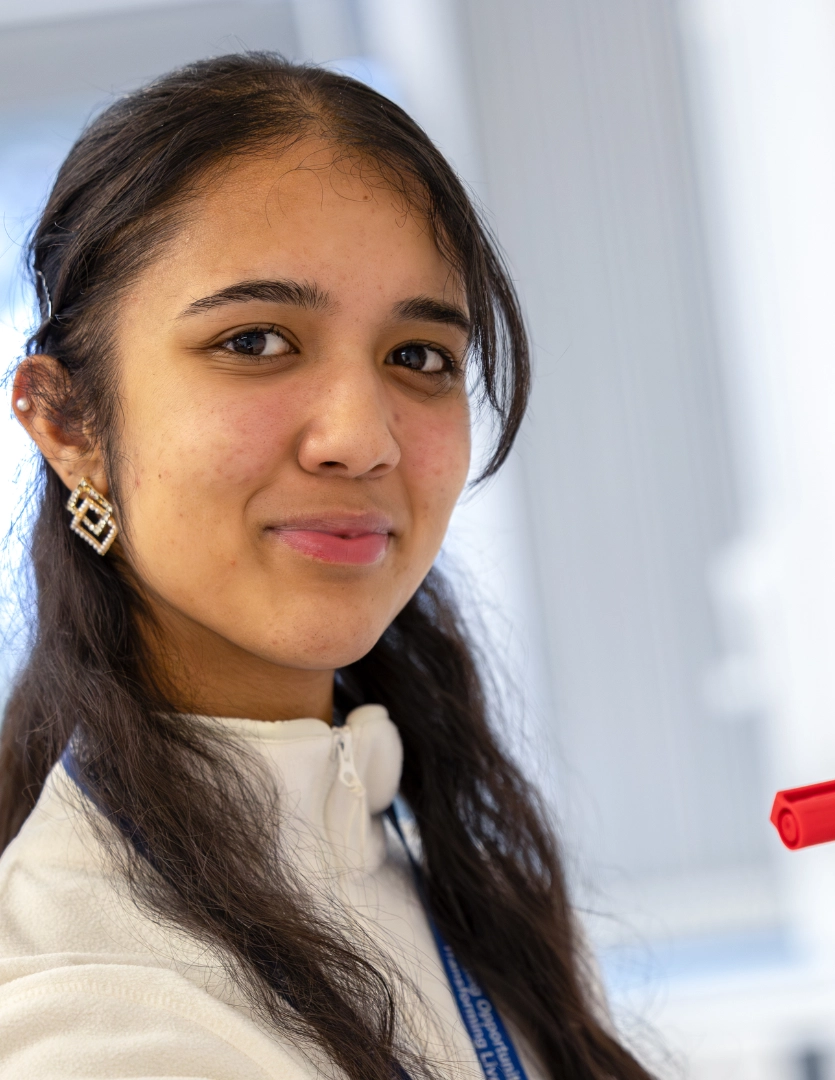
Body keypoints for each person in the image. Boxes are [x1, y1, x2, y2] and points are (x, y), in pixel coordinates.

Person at [0, 54, 653, 1080]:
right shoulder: (80, 1016)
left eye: (419, 358)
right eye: (255, 341)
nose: (362, 437)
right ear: (69, 421)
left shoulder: (407, 852)